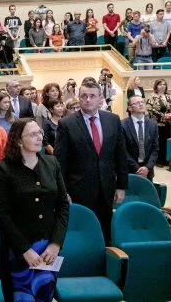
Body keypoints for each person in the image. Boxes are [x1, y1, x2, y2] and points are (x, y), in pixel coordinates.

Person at [0, 119, 69, 302]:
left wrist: (56, 244)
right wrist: (24, 249)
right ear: (19, 140)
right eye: (33, 134)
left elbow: (63, 206)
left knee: (45, 295)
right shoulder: (4, 169)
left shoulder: (51, 163)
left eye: (40, 133)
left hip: (47, 249)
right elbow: (1, 214)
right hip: (17, 249)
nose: (39, 137)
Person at [54, 80, 127, 243]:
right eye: (84, 96)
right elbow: (60, 162)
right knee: (83, 235)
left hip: (107, 188)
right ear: (79, 98)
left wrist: (121, 186)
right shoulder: (66, 124)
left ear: (100, 98)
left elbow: (121, 155)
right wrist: (63, 192)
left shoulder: (113, 120)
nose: (88, 100)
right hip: (78, 190)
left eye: (92, 96)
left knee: (105, 233)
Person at [122, 96, 159, 181]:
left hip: (148, 171)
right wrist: (137, 168)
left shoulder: (152, 124)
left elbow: (155, 149)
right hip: (129, 170)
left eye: (142, 102)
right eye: (137, 103)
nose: (141, 104)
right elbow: (123, 151)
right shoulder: (122, 125)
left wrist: (148, 167)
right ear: (130, 108)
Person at [146, 79, 171, 166]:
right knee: (158, 142)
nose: (162, 86)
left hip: (169, 123)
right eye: (160, 84)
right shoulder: (152, 97)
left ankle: (166, 159)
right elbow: (150, 109)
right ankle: (158, 160)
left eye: (164, 84)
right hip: (157, 123)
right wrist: (163, 115)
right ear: (156, 86)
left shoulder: (170, 96)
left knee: (167, 141)